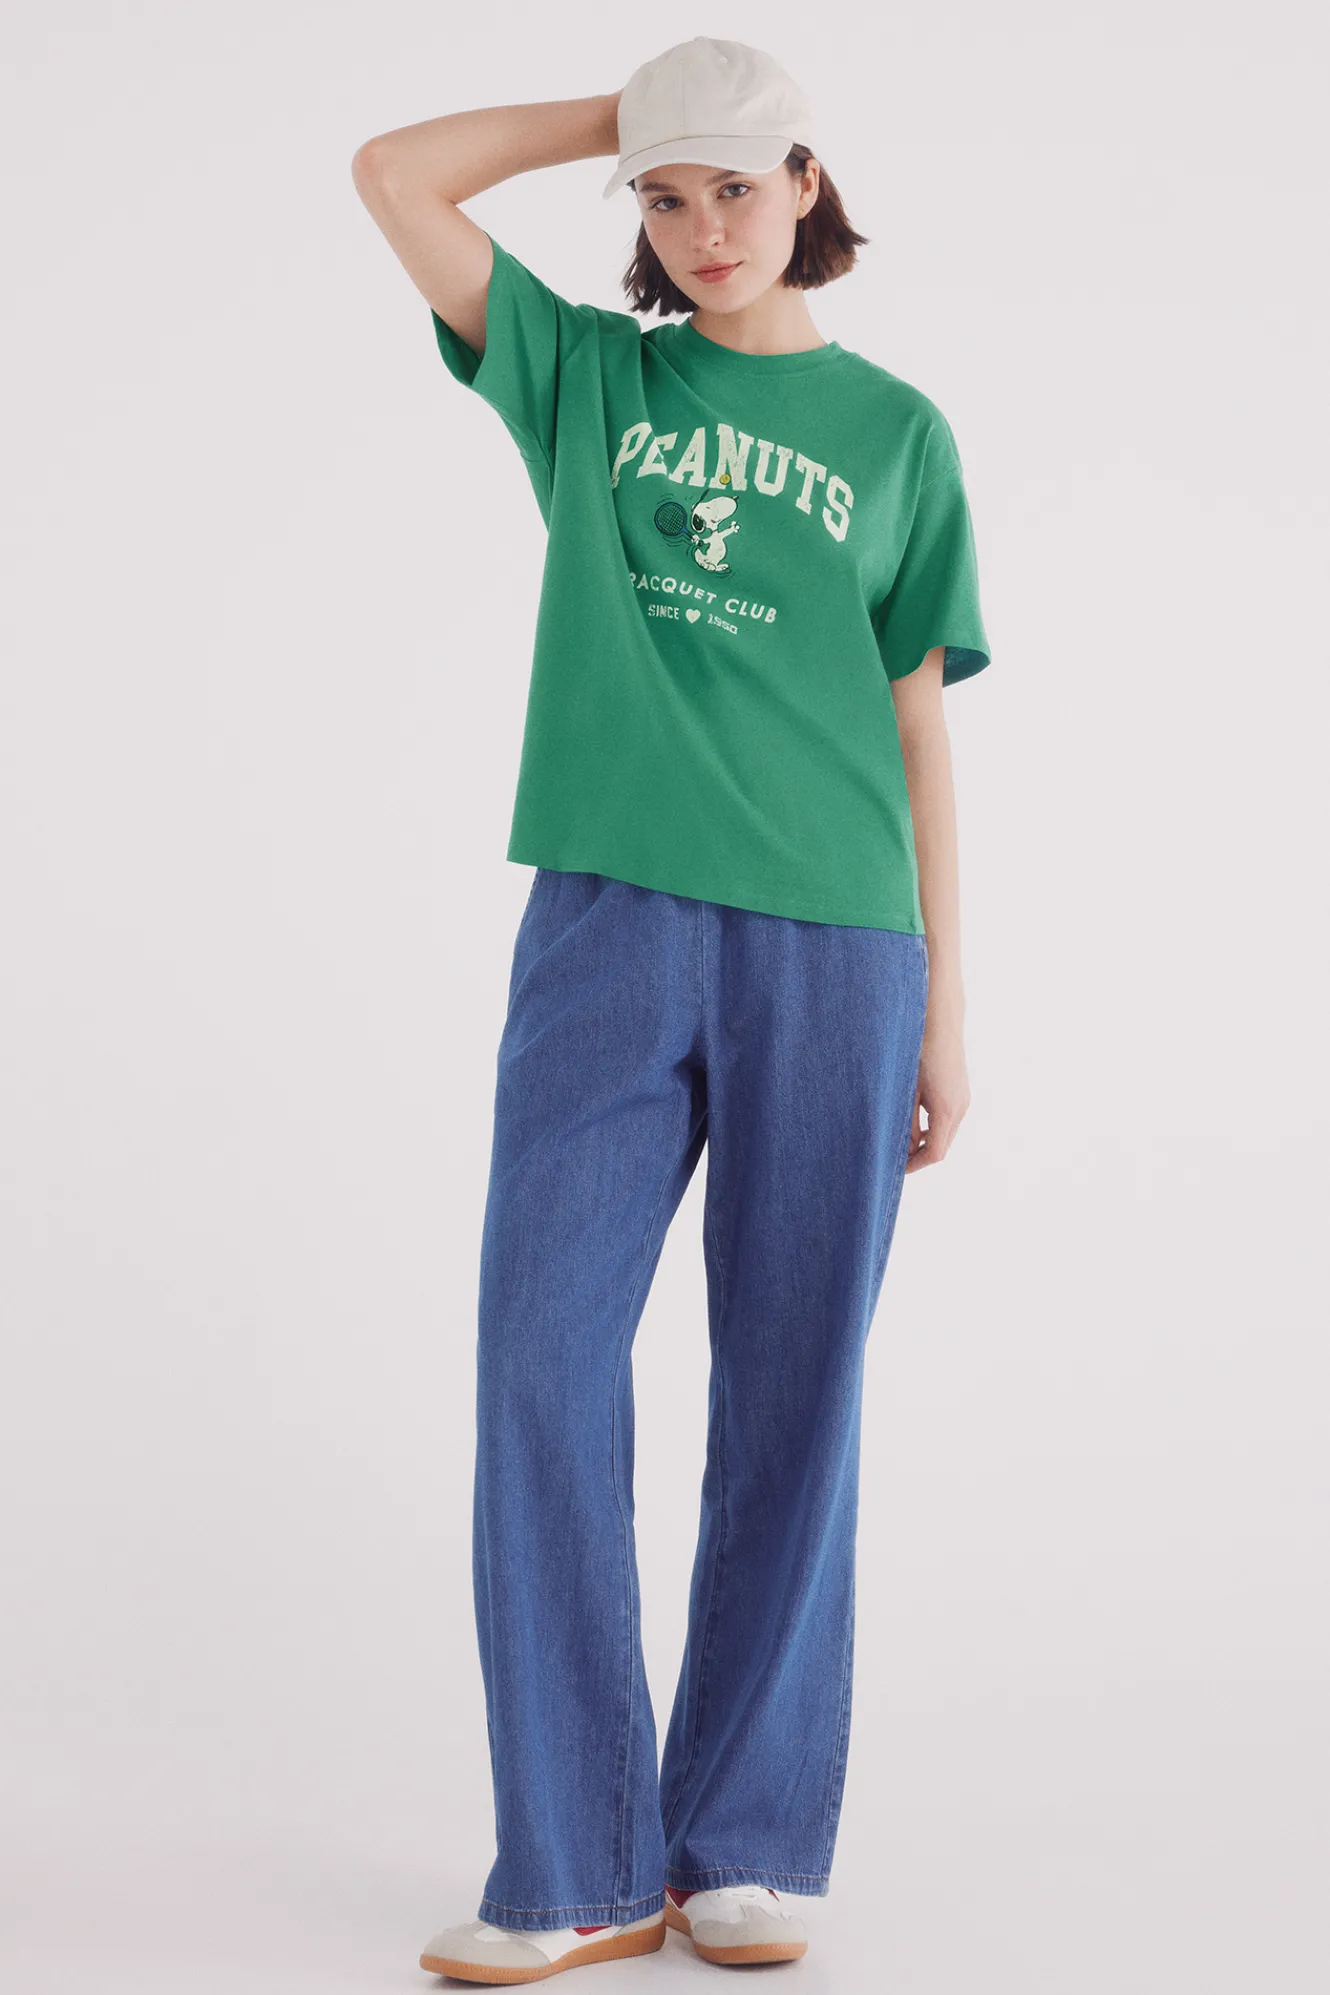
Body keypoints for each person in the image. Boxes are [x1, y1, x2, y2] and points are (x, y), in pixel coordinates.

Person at [352, 35, 992, 1982]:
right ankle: (576, 1859)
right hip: (606, 927)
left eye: (733, 183)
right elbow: (392, 173)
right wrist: (612, 120)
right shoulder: (589, 384)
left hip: (837, 945)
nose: (702, 227)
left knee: (794, 1389)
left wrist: (945, 1000)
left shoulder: (897, 434)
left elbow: (915, 726)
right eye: (665, 194)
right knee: (537, 1361)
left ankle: (747, 1839)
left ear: (806, 182)